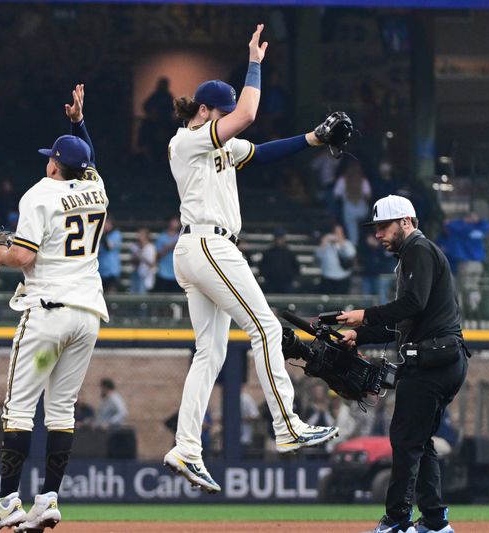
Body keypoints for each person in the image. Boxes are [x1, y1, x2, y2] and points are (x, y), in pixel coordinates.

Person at [162, 24, 340, 494]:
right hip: (207, 244)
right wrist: (254, 63)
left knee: (211, 353)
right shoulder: (188, 140)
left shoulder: (215, 145)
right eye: (218, 113)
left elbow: (259, 153)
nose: (225, 120)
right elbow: (247, 114)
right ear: (204, 111)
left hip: (199, 248)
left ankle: (186, 448)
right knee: (266, 328)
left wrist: (314, 138)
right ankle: (287, 425)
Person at [0, 84, 108, 533]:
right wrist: (78, 124)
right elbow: (86, 162)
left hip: (49, 313)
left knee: (18, 407)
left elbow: (24, 257)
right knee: (61, 409)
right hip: (87, 316)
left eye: (50, 156)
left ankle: (8, 501)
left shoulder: (38, 195)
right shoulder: (97, 188)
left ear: (54, 163)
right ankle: (48, 498)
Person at [337, 194, 469, 533]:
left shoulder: (418, 250)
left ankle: (396, 521)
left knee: (405, 440)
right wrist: (361, 335)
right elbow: (404, 321)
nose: (378, 233)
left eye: (384, 226)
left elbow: (412, 303)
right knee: (419, 441)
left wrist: (365, 316)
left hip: (431, 361)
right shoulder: (413, 254)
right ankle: (437, 522)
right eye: (376, 227)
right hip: (442, 359)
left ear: (406, 222)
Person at [316, 224, 356, 294]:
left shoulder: (347, 244)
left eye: (339, 232)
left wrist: (341, 244)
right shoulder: (326, 244)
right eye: (335, 232)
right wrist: (324, 242)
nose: (337, 235)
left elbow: (351, 255)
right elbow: (318, 256)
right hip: (327, 278)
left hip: (343, 278)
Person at [258, 228, 299, 294]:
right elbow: (262, 267)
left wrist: (291, 276)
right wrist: (267, 276)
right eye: (278, 238)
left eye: (281, 238)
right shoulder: (268, 253)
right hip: (271, 282)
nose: (279, 240)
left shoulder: (289, 253)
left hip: (286, 283)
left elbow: (296, 268)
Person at [152, 216, 181, 292]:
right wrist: (169, 246)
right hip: (163, 273)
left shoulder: (181, 238)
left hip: (176, 274)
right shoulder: (161, 237)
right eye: (173, 221)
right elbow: (158, 255)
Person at [97, 217, 122, 293]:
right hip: (101, 271)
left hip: (112, 272)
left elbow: (109, 246)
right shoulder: (100, 237)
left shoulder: (116, 234)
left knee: (112, 295)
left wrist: (103, 234)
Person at [129, 228, 157, 294]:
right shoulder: (136, 247)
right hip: (136, 275)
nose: (138, 236)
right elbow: (132, 262)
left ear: (146, 236)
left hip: (145, 277)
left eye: (141, 234)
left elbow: (152, 264)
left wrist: (141, 256)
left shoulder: (151, 248)